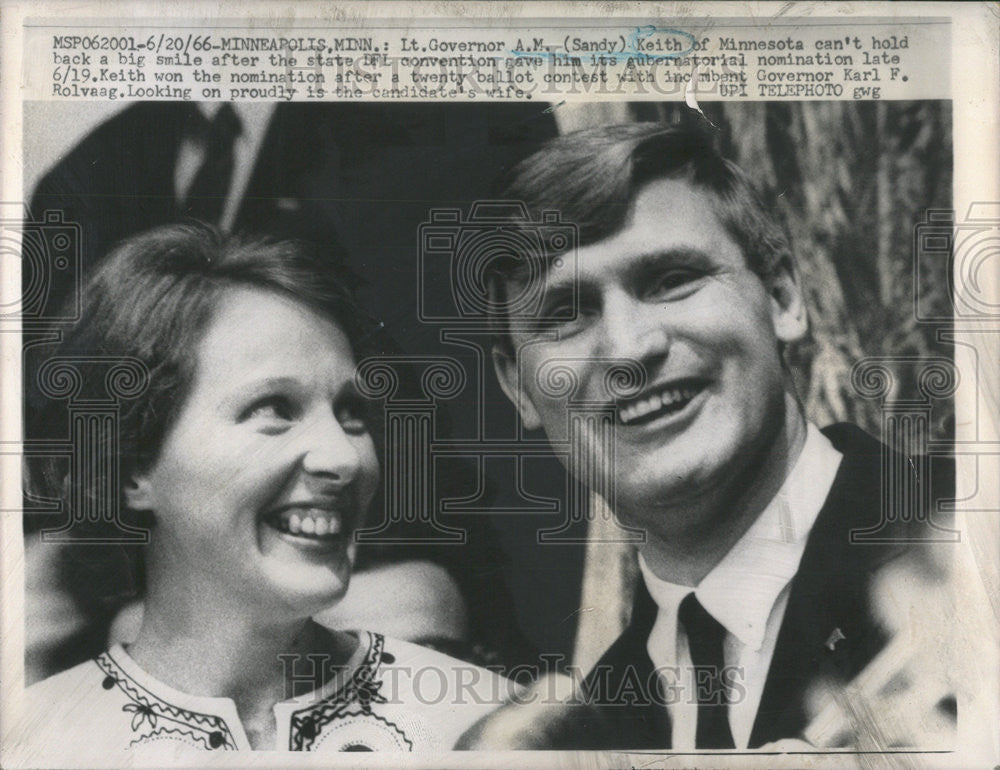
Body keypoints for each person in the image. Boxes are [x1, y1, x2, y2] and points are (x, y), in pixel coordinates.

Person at [476, 120, 955, 749]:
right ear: (517, 386)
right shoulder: (590, 735)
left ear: (783, 296)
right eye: (565, 315)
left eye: (671, 279)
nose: (627, 350)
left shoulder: (972, 535)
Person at [16, 224, 511, 762]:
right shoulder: (33, 748)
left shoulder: (483, 727)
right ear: (134, 468)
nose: (344, 458)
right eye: (273, 408)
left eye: (351, 413)